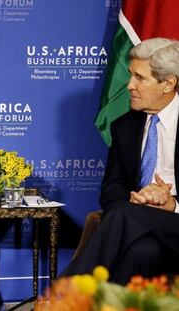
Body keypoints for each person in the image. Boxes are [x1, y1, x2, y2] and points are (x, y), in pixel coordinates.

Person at [62, 37, 179, 284]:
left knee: (126, 214)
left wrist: (172, 205)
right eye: (130, 75)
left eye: (140, 77)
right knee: (143, 252)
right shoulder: (125, 126)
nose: (129, 86)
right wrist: (137, 199)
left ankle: (64, 296)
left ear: (168, 84)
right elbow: (111, 189)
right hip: (144, 228)